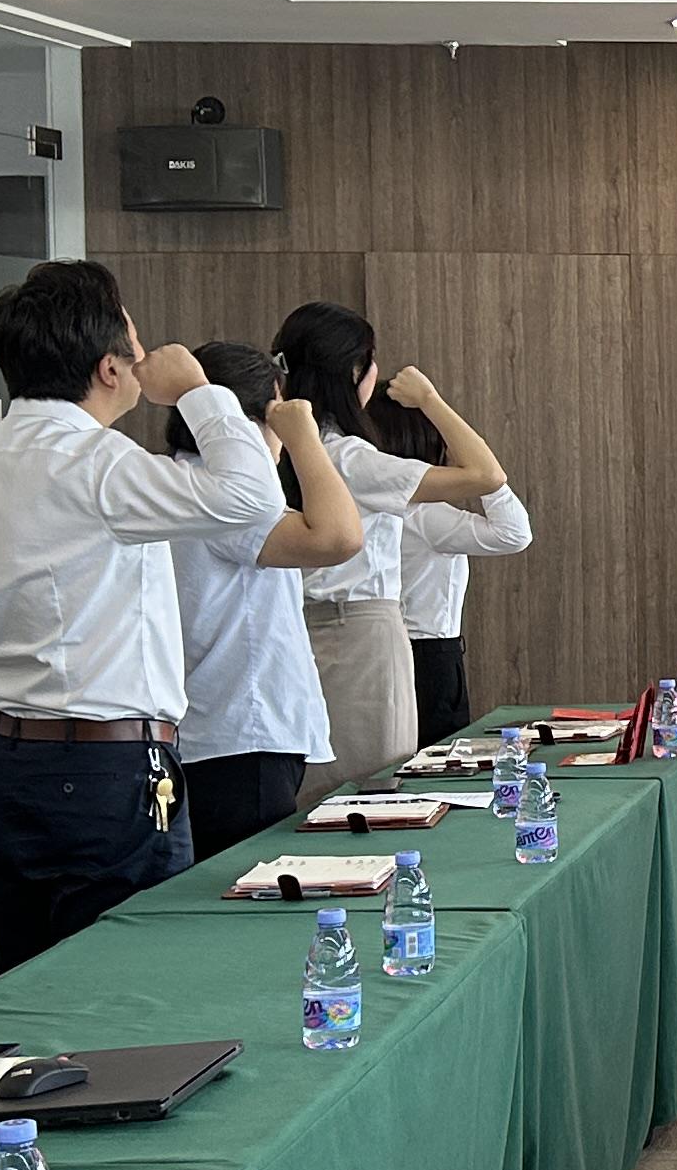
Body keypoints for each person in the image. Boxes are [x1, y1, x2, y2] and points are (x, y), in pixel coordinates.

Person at [0, 260, 279, 966]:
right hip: (106, 768)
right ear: (110, 368)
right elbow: (254, 497)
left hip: (3, 762)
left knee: (26, 979)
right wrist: (198, 392)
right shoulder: (98, 462)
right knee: (131, 975)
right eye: (135, 346)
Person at [267, 302, 510, 803]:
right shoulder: (351, 457)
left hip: (298, 628)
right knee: (373, 781)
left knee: (317, 783)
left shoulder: (287, 448)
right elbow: (487, 475)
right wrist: (430, 400)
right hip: (361, 631)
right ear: (356, 371)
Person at [164, 340, 364, 853]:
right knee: (246, 882)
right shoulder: (226, 496)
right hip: (241, 734)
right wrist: (305, 438)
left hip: (214, 730)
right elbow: (339, 537)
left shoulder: (177, 480)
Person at [374, 386, 531, 742]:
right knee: (436, 762)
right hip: (428, 659)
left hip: (381, 652)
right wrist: (481, 472)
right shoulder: (423, 516)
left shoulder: (370, 506)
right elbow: (514, 533)